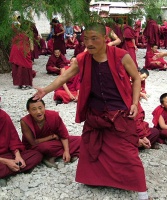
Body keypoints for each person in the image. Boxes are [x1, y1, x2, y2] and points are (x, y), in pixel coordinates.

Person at [33, 22, 151, 200]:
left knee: (127, 151)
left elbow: (135, 78)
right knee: (93, 147)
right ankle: (99, 179)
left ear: (105, 39)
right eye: (86, 39)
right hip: (95, 112)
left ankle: (142, 192)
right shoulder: (83, 58)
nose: (89, 43)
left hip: (119, 112)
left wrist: (134, 103)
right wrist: (46, 90)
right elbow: (65, 76)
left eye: (94, 38)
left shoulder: (121, 55)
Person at [20, 97, 81, 168]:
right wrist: (51, 137)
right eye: (34, 109)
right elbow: (33, 142)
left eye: (40, 108)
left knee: (80, 139)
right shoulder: (25, 122)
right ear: (28, 111)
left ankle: (58, 155)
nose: (38, 112)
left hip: (54, 142)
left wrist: (66, 151)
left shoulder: (53, 116)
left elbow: (63, 135)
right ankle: (69, 153)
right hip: (36, 145)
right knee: (45, 147)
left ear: (44, 107)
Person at [0, 109, 42, 186]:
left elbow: (13, 138)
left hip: (7, 153)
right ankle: (15, 169)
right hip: (3, 159)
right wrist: (6, 162)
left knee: (36, 155)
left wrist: (18, 156)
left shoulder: (3, 116)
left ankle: (6, 172)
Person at [9, 21, 34, 90]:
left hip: (15, 51)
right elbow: (32, 48)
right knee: (25, 67)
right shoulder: (28, 34)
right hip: (24, 51)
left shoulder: (15, 34)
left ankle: (20, 84)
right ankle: (25, 83)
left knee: (18, 67)